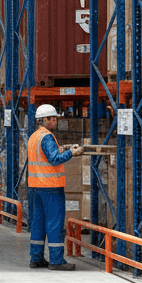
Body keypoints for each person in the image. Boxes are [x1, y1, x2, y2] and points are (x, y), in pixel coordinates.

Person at [27, 104, 83, 271]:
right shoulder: (47, 137)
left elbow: (44, 156)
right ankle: (56, 260)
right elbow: (54, 159)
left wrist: (63, 149)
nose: (55, 121)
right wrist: (72, 153)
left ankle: (36, 258)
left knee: (38, 223)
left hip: (36, 186)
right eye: (53, 119)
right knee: (54, 223)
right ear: (46, 119)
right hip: (50, 186)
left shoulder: (34, 137)